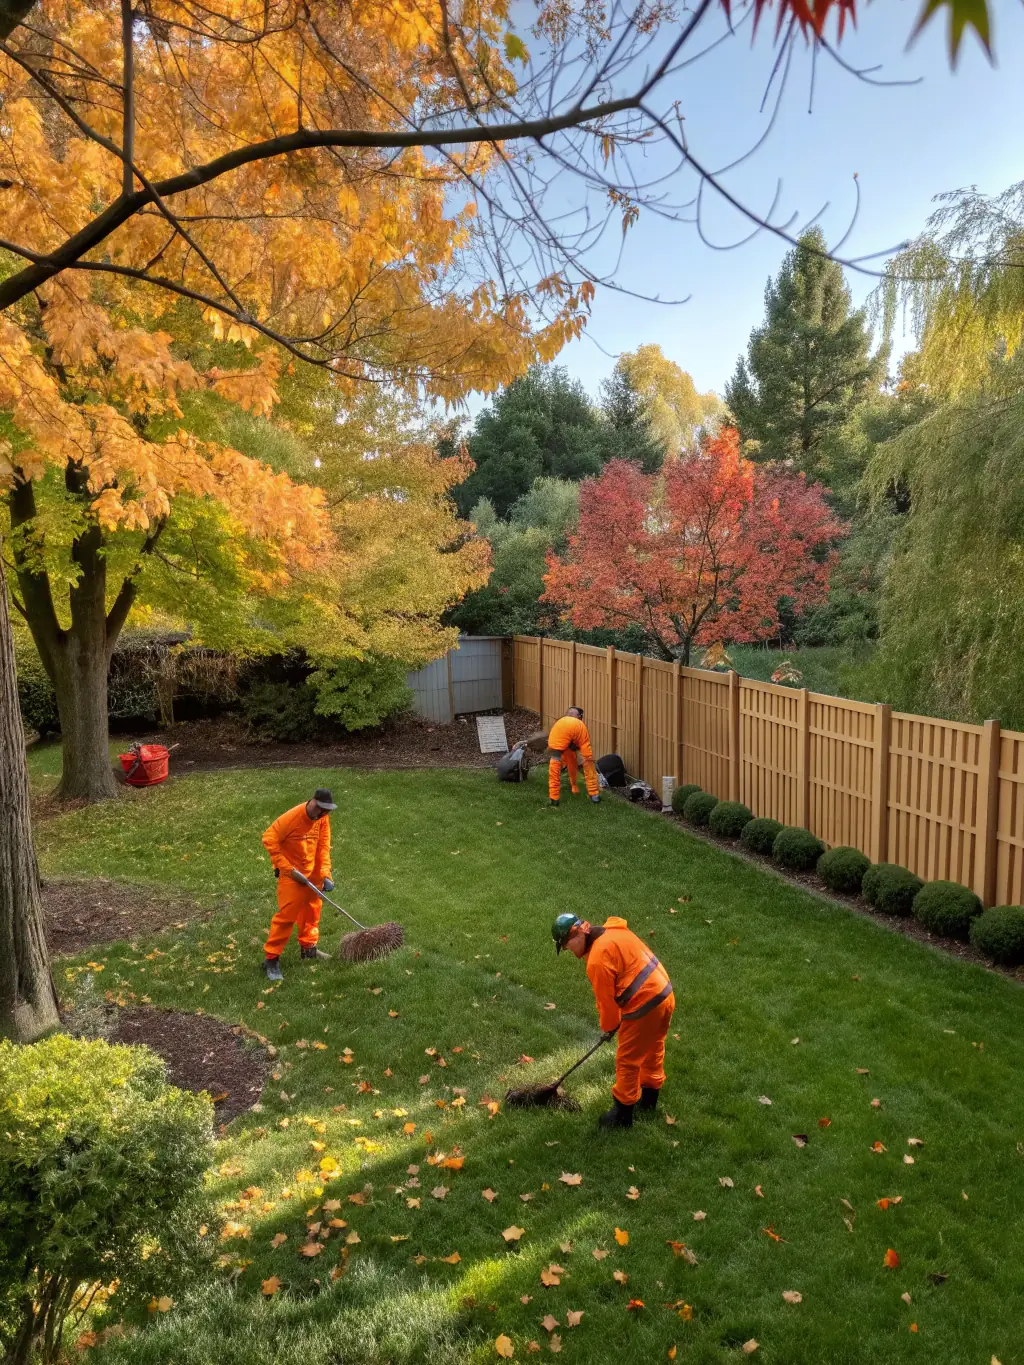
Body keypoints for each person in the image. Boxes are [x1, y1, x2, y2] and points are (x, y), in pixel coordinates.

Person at [552, 912, 675, 1128]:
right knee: (654, 1046)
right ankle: (649, 1099)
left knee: (627, 1060)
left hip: (645, 1005)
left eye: (567, 946)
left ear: (578, 934)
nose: (568, 951)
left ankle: (622, 1115)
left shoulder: (598, 960)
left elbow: (607, 1004)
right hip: (665, 994)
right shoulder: (613, 931)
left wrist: (609, 1028)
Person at [261, 788, 337, 981]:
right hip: (292, 874)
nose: (321, 814)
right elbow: (269, 839)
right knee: (286, 916)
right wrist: (287, 868)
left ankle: (309, 949)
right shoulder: (291, 819)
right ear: (312, 802)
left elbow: (323, 846)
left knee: (312, 911)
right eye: (319, 809)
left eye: (325, 811)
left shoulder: (322, 819)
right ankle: (271, 959)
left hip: (312, 874)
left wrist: (325, 874)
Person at [546, 706, 599, 807]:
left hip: (559, 734)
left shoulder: (560, 722)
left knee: (555, 762)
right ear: (579, 716)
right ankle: (594, 794)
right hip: (577, 733)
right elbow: (581, 743)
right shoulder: (579, 724)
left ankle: (554, 797)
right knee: (587, 761)